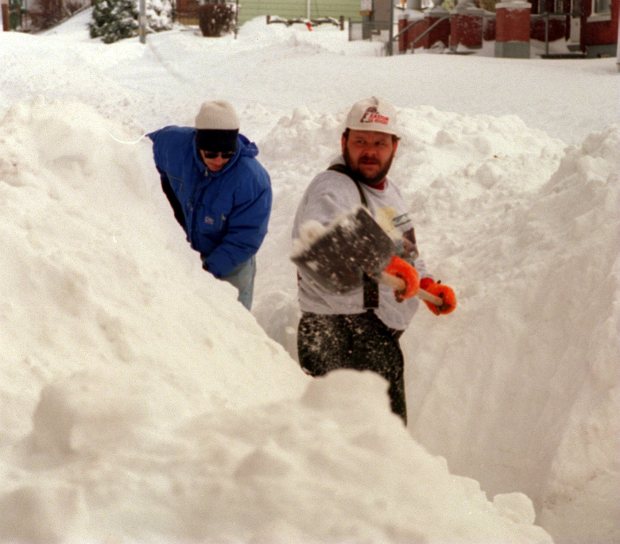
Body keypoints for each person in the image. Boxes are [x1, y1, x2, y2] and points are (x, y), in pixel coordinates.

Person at [292, 96, 456, 424]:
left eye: (380, 142)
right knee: (363, 449)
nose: (370, 150)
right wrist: (381, 263)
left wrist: (425, 283)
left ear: (395, 146)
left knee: (379, 448)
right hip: (340, 334)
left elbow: (405, 252)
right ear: (344, 142)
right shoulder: (332, 187)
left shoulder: (389, 191)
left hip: (373, 337)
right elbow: (324, 242)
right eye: (361, 141)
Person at [148, 100, 272, 310]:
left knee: (230, 324)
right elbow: (137, 149)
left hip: (232, 261)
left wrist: (205, 270)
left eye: (227, 154)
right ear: (197, 143)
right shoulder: (174, 145)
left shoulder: (252, 180)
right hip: (185, 252)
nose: (219, 161)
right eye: (211, 154)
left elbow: (245, 238)